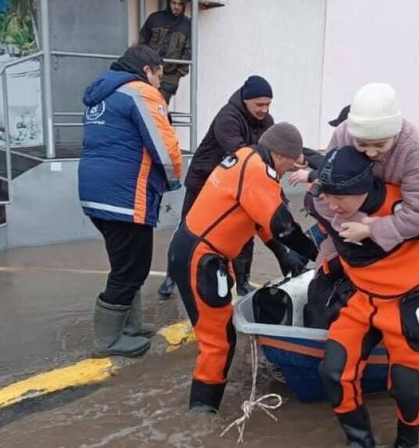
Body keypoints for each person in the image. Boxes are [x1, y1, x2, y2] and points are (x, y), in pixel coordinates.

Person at [305, 147, 419, 448]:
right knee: (333, 372)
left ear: (360, 190)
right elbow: (329, 232)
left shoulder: (412, 205)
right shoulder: (326, 205)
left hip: (409, 300)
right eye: (324, 195)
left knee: (408, 388)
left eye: (336, 197)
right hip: (363, 301)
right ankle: (359, 441)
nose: (328, 204)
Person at [168, 122, 318, 413]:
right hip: (201, 258)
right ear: (282, 154)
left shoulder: (248, 158)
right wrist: (316, 252)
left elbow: (258, 217)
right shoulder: (256, 170)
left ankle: (204, 407)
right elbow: (282, 225)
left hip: (200, 252)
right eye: (293, 162)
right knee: (219, 340)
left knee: (222, 335)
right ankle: (202, 413)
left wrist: (281, 255)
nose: (291, 170)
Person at [290, 82, 419, 317]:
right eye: (362, 145)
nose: (371, 153)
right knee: (332, 245)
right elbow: (323, 192)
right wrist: (353, 222)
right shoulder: (342, 134)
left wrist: (372, 228)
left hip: (404, 202)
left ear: (394, 134)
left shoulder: (411, 145)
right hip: (358, 206)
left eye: (380, 145)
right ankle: (325, 297)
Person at [78, 45, 183, 358]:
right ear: (147, 69)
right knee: (132, 269)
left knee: (124, 265)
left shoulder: (102, 94)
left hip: (97, 192)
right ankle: (108, 341)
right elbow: (164, 147)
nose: (159, 85)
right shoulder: (139, 92)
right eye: (158, 76)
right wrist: (174, 180)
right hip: (125, 195)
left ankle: (129, 327)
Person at [158, 75, 275, 299]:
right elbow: (241, 153)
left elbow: (271, 152)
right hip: (205, 180)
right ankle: (172, 276)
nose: (264, 110)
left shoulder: (267, 122)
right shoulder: (228, 117)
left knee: (244, 233)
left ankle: (242, 283)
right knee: (187, 231)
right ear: (245, 100)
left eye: (268, 104)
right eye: (259, 104)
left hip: (238, 186)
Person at [139, 0, 192, 104]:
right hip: (149, 73)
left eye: (180, 4)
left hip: (169, 78)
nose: (176, 7)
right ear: (168, 3)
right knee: (145, 106)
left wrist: (177, 75)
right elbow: (142, 43)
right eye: (173, 3)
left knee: (159, 107)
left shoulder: (188, 26)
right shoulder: (154, 19)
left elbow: (188, 53)